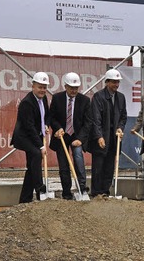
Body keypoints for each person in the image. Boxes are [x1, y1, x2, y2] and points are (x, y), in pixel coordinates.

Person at [49, 72, 92, 200]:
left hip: (77, 135)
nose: (74, 90)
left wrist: (80, 139)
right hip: (61, 136)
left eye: (76, 88)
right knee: (63, 165)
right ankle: (66, 192)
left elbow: (88, 122)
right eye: (71, 87)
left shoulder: (84, 100)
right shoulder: (57, 98)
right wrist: (58, 128)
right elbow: (51, 117)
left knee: (78, 159)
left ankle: (82, 189)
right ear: (65, 86)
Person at [11, 71, 51, 203]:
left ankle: (25, 199)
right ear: (33, 86)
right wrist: (41, 145)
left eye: (44, 87)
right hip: (24, 136)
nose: (42, 90)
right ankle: (40, 188)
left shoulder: (43, 98)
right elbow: (29, 127)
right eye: (40, 87)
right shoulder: (27, 103)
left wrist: (46, 124)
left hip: (35, 135)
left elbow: (46, 115)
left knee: (32, 167)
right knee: (36, 154)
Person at [89, 68, 127, 197]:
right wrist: (99, 136)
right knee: (98, 166)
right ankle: (96, 193)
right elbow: (95, 119)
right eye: (113, 82)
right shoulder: (98, 97)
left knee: (110, 166)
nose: (116, 85)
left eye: (118, 82)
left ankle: (105, 191)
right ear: (107, 82)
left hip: (114, 139)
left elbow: (123, 117)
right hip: (101, 138)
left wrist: (120, 128)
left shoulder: (121, 98)